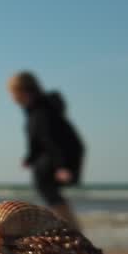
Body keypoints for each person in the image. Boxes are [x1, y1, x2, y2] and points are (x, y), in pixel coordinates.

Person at [8, 71, 85, 228]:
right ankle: (68, 228)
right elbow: (37, 140)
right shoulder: (35, 109)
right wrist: (29, 157)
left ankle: (71, 230)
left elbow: (51, 139)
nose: (12, 98)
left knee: (45, 185)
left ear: (22, 91)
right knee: (46, 187)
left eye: (13, 93)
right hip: (56, 154)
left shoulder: (42, 110)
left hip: (63, 154)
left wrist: (61, 166)